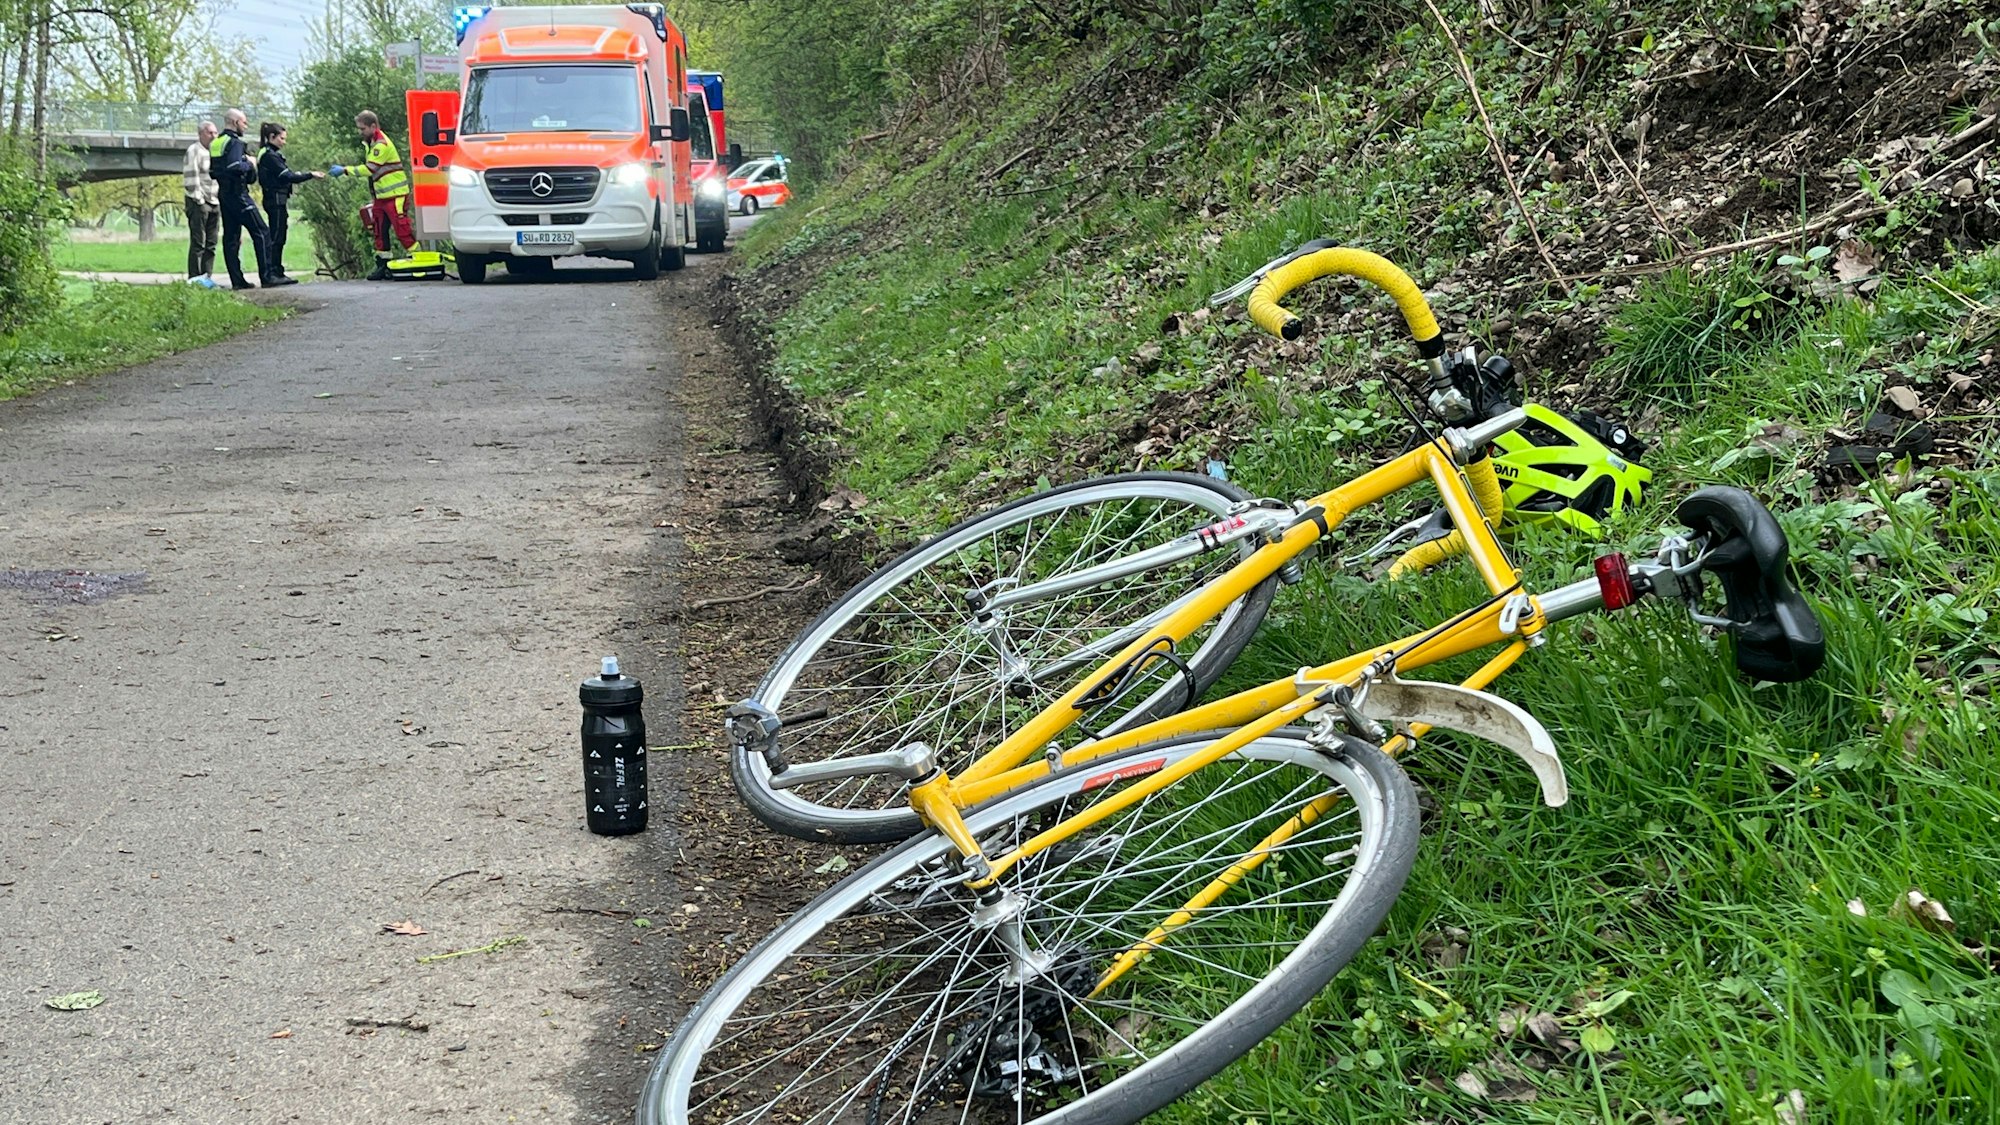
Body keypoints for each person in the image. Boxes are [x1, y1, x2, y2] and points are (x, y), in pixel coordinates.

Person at [209, 108, 289, 288]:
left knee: (231, 237)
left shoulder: (217, 142)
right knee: (262, 232)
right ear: (235, 122)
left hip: (224, 194)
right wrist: (249, 163)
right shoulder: (235, 142)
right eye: (244, 122)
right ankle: (268, 277)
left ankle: (237, 281)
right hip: (238, 194)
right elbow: (235, 166)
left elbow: (213, 171)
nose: (246, 126)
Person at [256, 121, 324, 283]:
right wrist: (310, 174)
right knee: (277, 236)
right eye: (282, 138)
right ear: (272, 137)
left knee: (279, 235)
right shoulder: (270, 156)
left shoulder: (268, 153)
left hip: (276, 199)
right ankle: (273, 272)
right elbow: (287, 176)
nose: (284, 142)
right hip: (275, 199)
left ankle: (277, 271)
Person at [354, 110, 415, 280]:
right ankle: (383, 266)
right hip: (381, 197)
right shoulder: (372, 143)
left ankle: (416, 258)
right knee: (379, 230)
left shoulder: (381, 144)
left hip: (395, 195)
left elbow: (369, 169)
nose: (361, 132)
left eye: (362, 128)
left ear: (373, 126)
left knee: (402, 228)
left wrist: (345, 170)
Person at [181, 120, 220, 281]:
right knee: (199, 243)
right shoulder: (194, 150)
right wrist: (199, 201)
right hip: (199, 202)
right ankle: (195, 278)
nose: (213, 136)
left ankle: (207, 277)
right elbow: (191, 177)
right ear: (201, 133)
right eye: (210, 133)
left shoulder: (215, 151)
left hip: (214, 201)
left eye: (215, 133)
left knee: (211, 243)